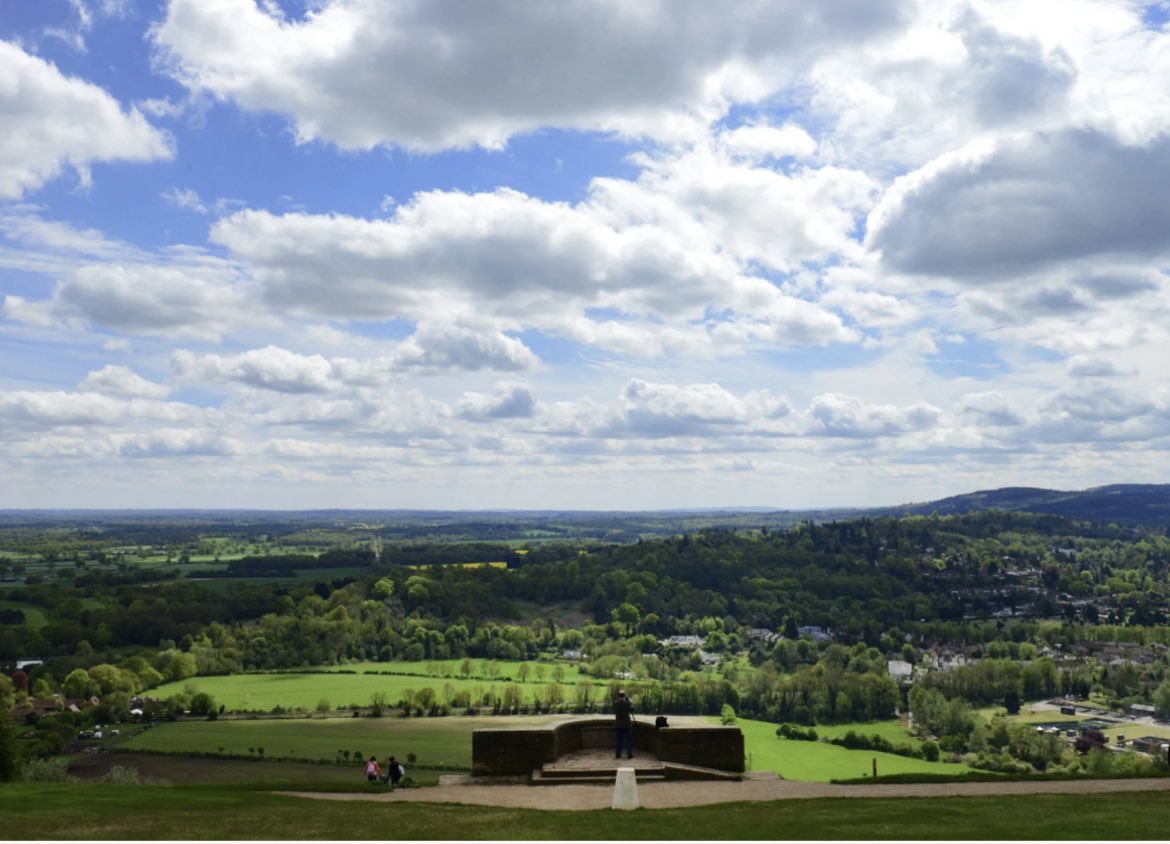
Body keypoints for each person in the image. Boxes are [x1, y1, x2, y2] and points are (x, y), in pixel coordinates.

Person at [613, 689, 634, 759]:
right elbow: (632, 709)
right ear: (624, 695)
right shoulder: (627, 703)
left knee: (618, 740)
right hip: (627, 724)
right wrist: (630, 701)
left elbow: (614, 711)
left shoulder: (615, 703)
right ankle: (629, 754)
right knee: (629, 740)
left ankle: (618, 754)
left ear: (618, 696)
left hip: (618, 724)